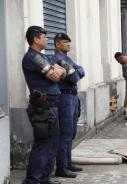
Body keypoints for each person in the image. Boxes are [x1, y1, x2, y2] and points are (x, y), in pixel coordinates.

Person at [22, 26, 66, 184]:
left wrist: (59, 71)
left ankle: (44, 178)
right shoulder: (33, 57)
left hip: (51, 106)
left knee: (52, 144)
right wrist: (58, 71)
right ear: (36, 39)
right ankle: (33, 180)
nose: (48, 40)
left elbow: (64, 72)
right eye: (45, 37)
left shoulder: (42, 57)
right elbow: (56, 76)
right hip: (42, 108)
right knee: (43, 144)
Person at [51, 33, 85, 178]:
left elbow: (81, 70)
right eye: (65, 42)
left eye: (69, 42)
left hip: (72, 96)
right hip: (64, 97)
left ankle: (68, 162)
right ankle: (61, 167)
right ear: (57, 44)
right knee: (65, 133)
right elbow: (75, 77)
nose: (68, 44)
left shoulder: (66, 58)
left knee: (70, 133)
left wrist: (76, 71)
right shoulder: (57, 59)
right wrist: (75, 72)